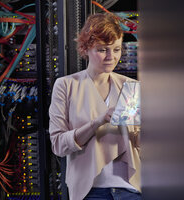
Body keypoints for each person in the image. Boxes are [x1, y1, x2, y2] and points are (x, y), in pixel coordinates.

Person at [49, 13, 141, 200]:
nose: (111, 57)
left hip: (129, 189)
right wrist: (97, 122)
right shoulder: (66, 86)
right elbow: (58, 145)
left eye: (116, 49)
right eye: (102, 50)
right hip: (90, 192)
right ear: (85, 49)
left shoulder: (130, 86)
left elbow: (138, 143)